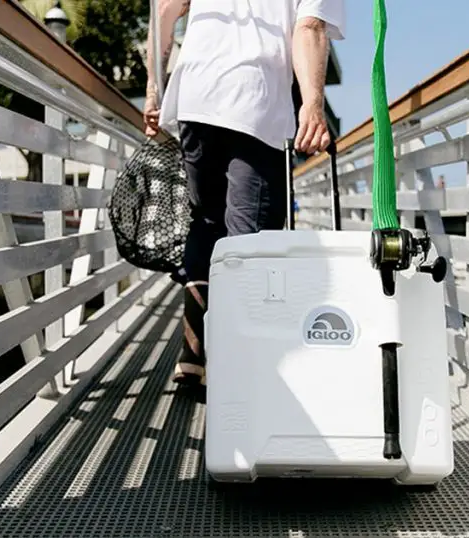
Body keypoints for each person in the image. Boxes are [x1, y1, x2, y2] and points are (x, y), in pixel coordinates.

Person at [144, 0, 346, 385]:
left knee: (207, 217)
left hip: (196, 97)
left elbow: (166, 8)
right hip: (257, 98)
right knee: (249, 240)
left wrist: (154, 88)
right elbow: (310, 29)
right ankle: (237, 374)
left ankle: (194, 351)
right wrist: (312, 105)